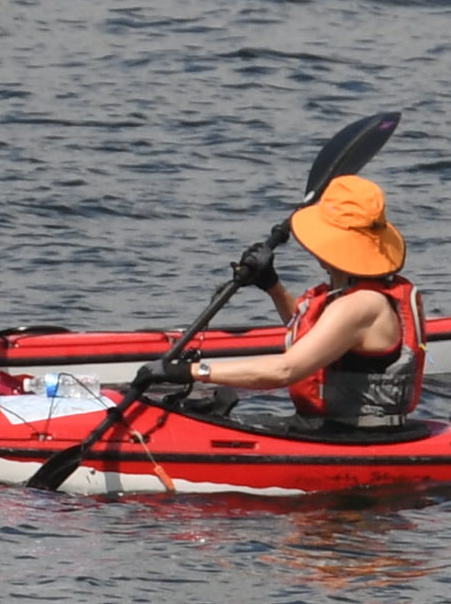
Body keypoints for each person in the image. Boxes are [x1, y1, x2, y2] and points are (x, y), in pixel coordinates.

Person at [136, 176, 425, 428]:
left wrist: (192, 371)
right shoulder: (350, 293)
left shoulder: (361, 305)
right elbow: (316, 339)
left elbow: (285, 370)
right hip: (329, 425)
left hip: (357, 434)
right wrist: (272, 285)